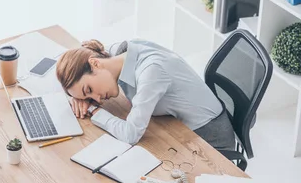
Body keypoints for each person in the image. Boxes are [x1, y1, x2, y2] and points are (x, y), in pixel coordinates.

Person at [56, 38, 235, 151]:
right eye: (89, 97)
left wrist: (95, 111)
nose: (96, 99)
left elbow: (130, 134)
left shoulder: (151, 72)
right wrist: (77, 97)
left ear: (95, 64)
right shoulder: (115, 54)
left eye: (89, 90)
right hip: (176, 127)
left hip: (209, 140)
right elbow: (74, 66)